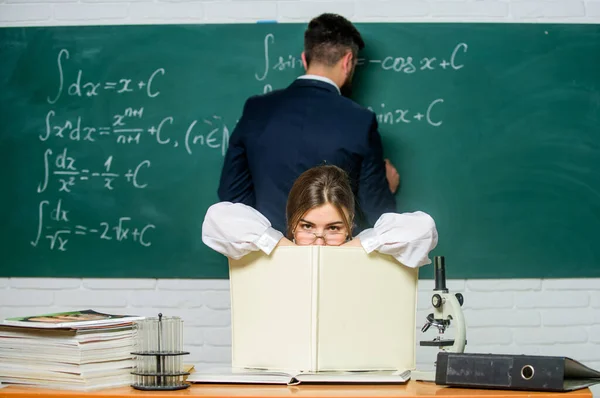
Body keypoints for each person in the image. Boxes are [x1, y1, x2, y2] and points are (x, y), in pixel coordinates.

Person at [217, 13, 399, 234]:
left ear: (305, 59)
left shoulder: (256, 109)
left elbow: (232, 196)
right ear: (348, 61)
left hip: (265, 259)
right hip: (333, 256)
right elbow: (377, 212)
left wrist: (269, 236)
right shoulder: (360, 120)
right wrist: (386, 188)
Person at [204, 165, 437, 268]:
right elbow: (217, 216)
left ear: (349, 225)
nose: (319, 241)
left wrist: (358, 245)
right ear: (292, 223)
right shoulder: (272, 250)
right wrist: (279, 244)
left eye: (333, 228)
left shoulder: (366, 252)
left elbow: (424, 228)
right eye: (307, 226)